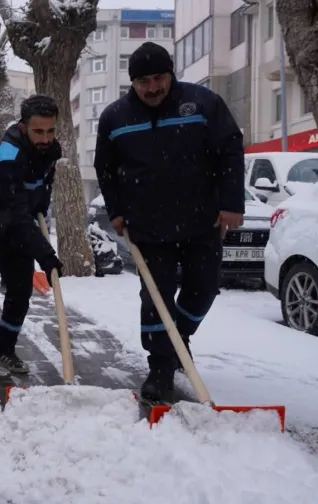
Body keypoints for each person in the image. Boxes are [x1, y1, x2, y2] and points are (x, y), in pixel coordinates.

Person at [94, 42, 245, 402]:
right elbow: (106, 168)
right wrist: (116, 211)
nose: (153, 88)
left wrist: (231, 203)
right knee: (155, 296)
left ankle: (179, 337)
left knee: (204, 288)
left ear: (171, 73)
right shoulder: (115, 117)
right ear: (132, 82)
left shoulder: (202, 104)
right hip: (147, 225)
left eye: (159, 78)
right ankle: (160, 367)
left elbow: (229, 151)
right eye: (143, 81)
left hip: (202, 220)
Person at [0, 95, 64, 373]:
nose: (45, 138)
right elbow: (16, 211)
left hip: (17, 226)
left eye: (51, 131)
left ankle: (5, 350)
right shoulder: (8, 157)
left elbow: (43, 184)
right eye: (38, 131)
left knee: (20, 289)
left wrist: (40, 203)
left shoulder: (50, 150)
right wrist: (46, 255)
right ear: (22, 127)